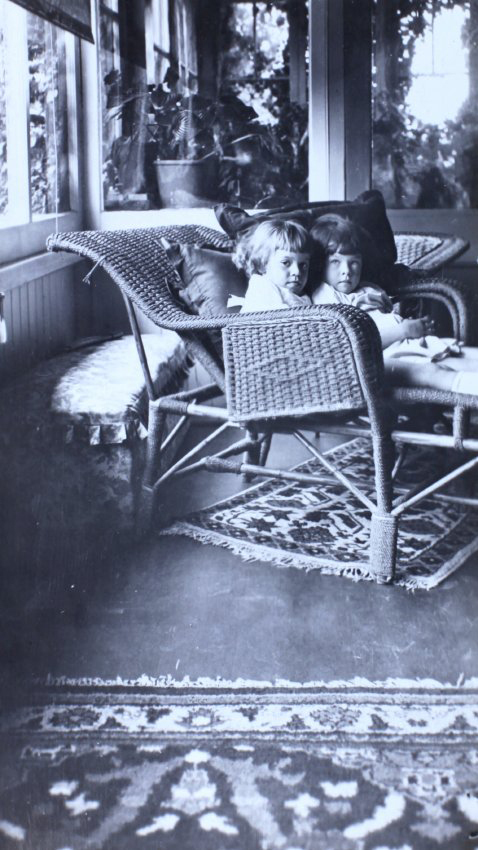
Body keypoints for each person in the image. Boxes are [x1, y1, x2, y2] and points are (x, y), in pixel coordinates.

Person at [309, 214, 478, 396]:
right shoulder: (325, 298)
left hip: (409, 346)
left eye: (354, 263)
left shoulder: (366, 289)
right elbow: (349, 345)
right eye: (335, 262)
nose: (347, 271)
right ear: (320, 265)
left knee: (465, 356)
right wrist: (404, 331)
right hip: (380, 358)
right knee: (438, 371)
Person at [229, 219, 313, 312]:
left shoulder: (303, 296)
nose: (297, 272)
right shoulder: (261, 286)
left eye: (303, 265)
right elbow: (278, 318)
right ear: (262, 265)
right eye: (286, 263)